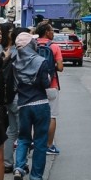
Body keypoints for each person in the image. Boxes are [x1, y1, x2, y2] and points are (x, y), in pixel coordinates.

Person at [11, 30, 56, 180]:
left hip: (23, 104)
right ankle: (36, 176)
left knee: (23, 138)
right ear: (29, 45)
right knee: (40, 141)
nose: (36, 43)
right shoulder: (40, 61)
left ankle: (19, 167)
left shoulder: (14, 62)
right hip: (40, 104)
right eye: (33, 42)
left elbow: (15, 84)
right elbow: (46, 83)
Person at [35, 21, 63, 156]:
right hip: (51, 84)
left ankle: (37, 142)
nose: (53, 33)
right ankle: (49, 145)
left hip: (35, 85)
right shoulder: (54, 47)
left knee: (36, 115)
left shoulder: (32, 44)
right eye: (52, 30)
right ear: (47, 32)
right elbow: (61, 67)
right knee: (52, 116)